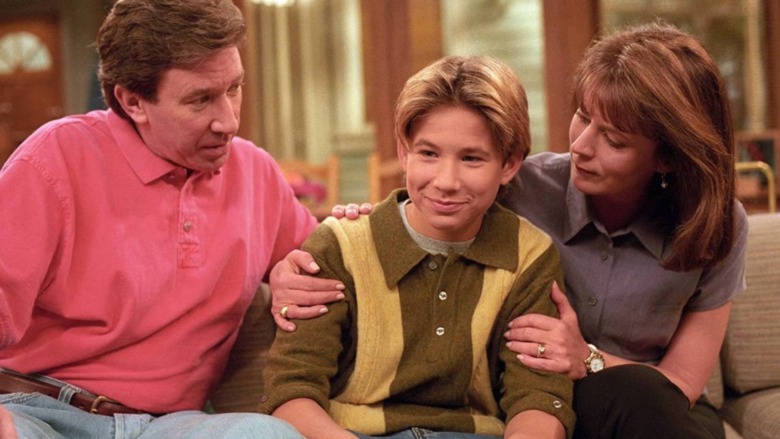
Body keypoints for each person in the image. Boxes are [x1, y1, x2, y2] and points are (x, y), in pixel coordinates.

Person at [270, 22, 747, 439]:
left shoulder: (715, 223)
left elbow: (681, 379)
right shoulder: (523, 186)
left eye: (614, 140)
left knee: (641, 395)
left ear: (667, 156)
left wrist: (588, 357)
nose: (580, 145)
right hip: (547, 403)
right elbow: (433, 201)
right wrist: (322, 249)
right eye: (582, 116)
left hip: (653, 408)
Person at [0, 0, 316, 437]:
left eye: (234, 88)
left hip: (170, 425)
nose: (228, 120)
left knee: (268, 434)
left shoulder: (255, 172)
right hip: (42, 409)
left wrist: (293, 271)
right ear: (133, 102)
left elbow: (327, 263)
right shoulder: (56, 158)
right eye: (200, 99)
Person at [260, 55, 575, 439]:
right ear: (404, 152)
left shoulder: (530, 256)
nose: (446, 181)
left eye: (471, 158)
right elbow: (291, 391)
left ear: (508, 165)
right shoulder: (340, 244)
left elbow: (538, 400)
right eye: (428, 153)